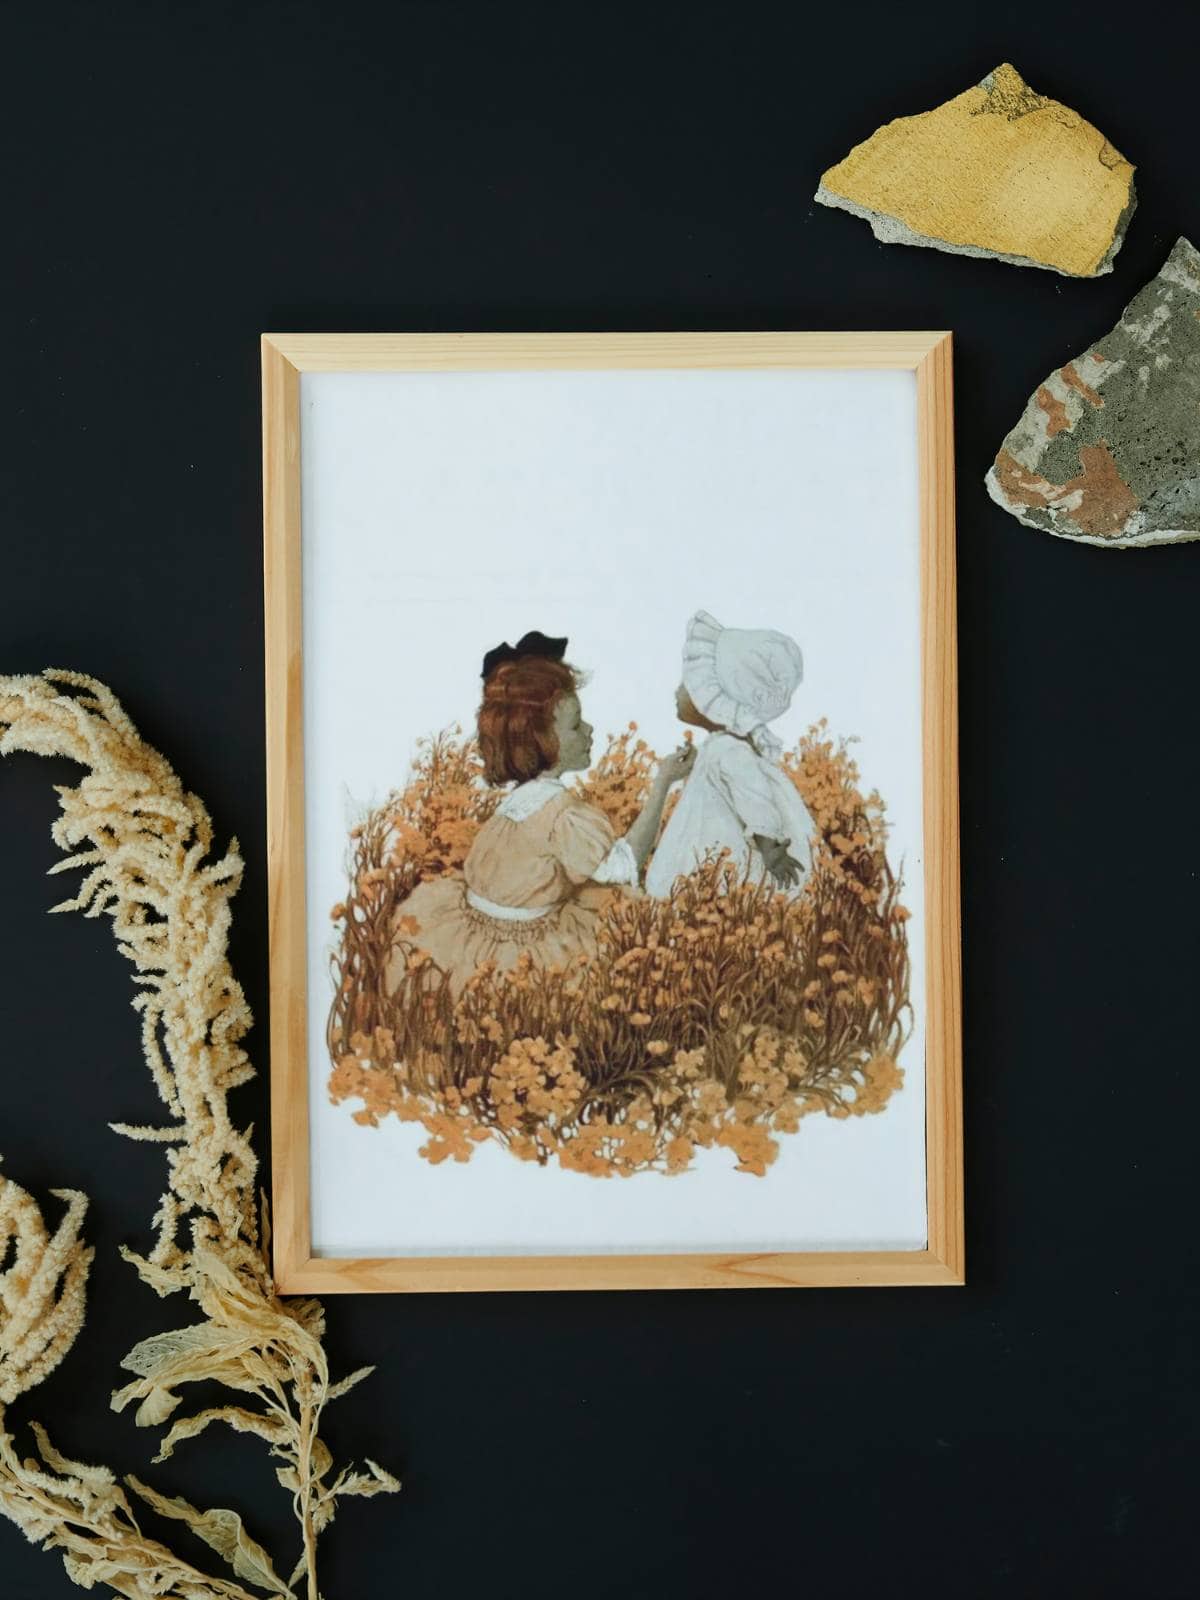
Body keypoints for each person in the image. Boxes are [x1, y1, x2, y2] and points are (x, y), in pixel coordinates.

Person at [388, 632, 694, 996]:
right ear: (543, 740)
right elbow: (625, 867)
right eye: (577, 725)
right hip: (517, 955)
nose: (590, 731)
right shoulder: (563, 816)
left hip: (469, 935)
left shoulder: (517, 802)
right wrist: (662, 784)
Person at [645, 610, 816, 900]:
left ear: (718, 701)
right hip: (709, 849)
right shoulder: (719, 746)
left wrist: (770, 850)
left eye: (688, 684)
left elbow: (756, 798)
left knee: (713, 894)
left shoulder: (730, 750)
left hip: (722, 855)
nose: (678, 690)